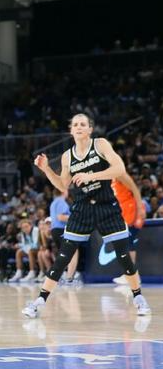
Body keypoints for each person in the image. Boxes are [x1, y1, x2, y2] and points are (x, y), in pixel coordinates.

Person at [23, 113, 151, 319]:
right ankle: (39, 301)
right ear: (71, 130)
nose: (79, 127)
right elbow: (63, 185)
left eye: (83, 124)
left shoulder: (100, 145)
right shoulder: (67, 156)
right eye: (76, 124)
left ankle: (138, 297)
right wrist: (46, 169)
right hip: (82, 208)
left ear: (90, 129)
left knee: (123, 256)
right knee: (62, 257)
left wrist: (92, 176)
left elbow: (119, 168)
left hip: (106, 206)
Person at [111, 173, 146, 285]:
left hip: (131, 209)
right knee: (126, 243)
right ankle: (131, 274)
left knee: (128, 242)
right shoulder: (111, 178)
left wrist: (140, 208)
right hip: (123, 212)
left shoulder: (120, 174)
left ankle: (132, 275)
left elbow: (135, 190)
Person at [49, 189, 79, 282]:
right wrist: (76, 217)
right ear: (63, 191)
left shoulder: (53, 202)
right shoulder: (61, 201)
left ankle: (59, 275)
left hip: (54, 230)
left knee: (64, 253)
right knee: (73, 252)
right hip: (62, 229)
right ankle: (69, 278)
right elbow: (61, 217)